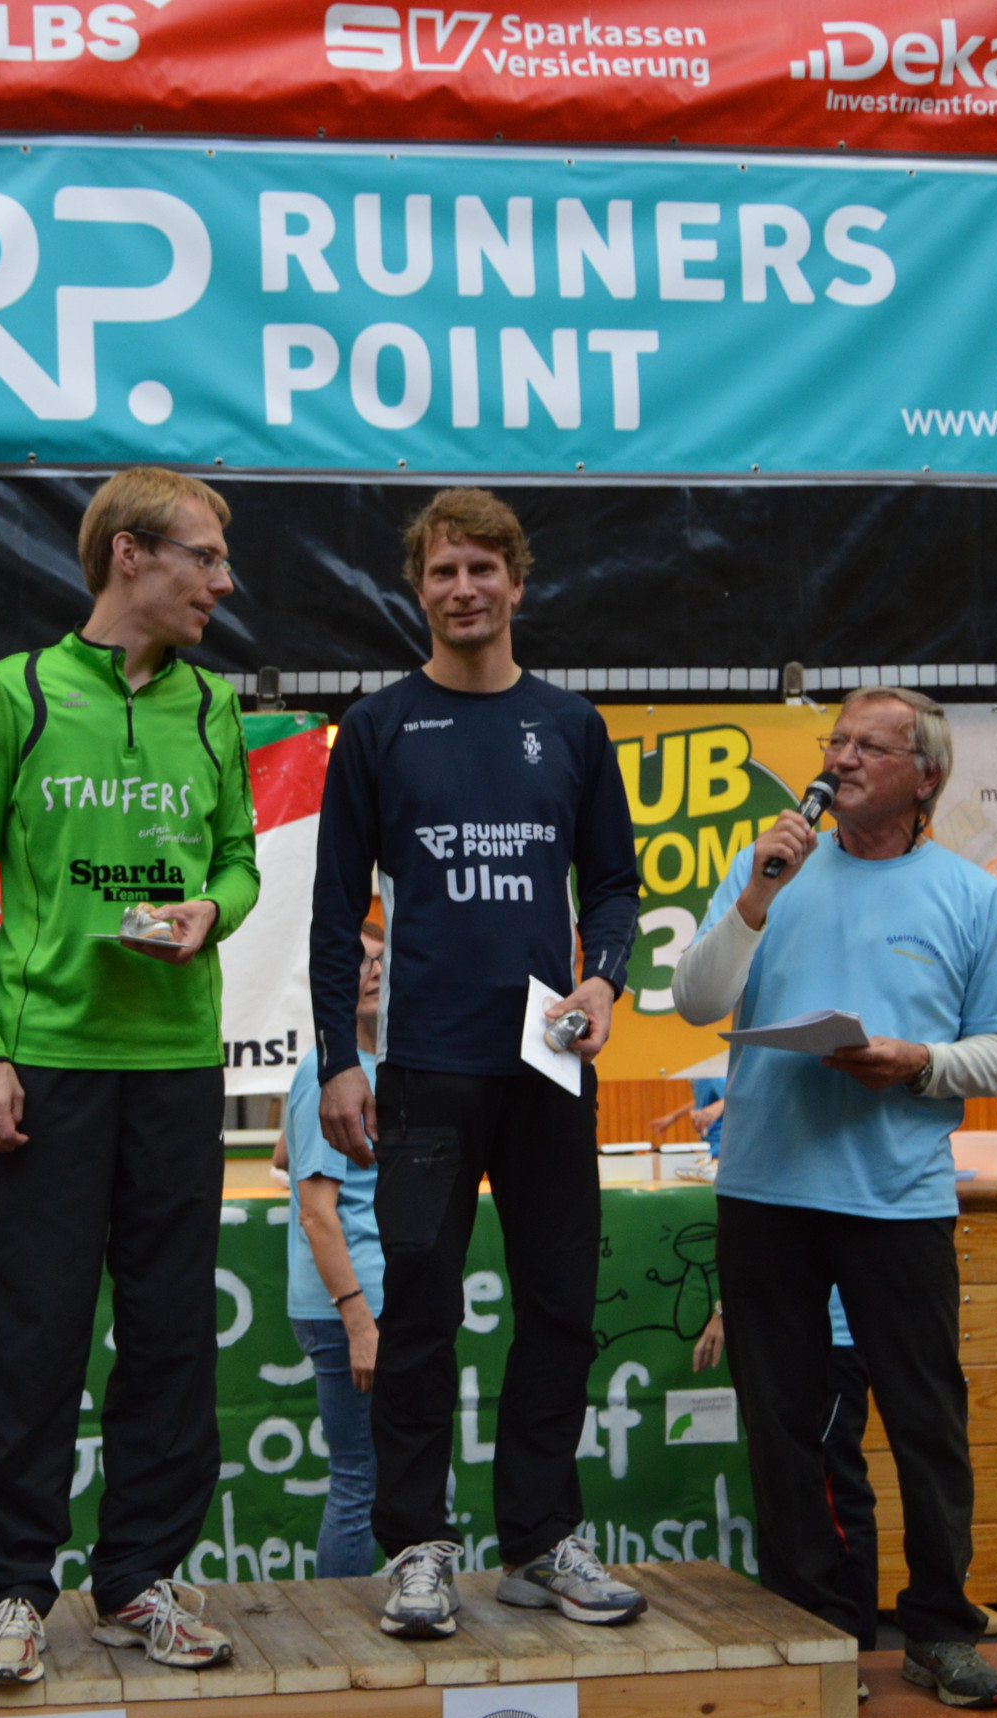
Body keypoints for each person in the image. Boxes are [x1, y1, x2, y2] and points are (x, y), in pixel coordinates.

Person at [0, 464, 262, 1686]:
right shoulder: (14, 691)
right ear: (130, 553)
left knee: (171, 1337)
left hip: (175, 1063)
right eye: (203, 557)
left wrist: (210, 912)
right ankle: (11, 1589)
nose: (221, 582)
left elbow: (240, 861)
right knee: (34, 1337)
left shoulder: (214, 704)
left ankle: (137, 1580)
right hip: (50, 1068)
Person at [312, 488, 648, 1641]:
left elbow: (614, 885)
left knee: (558, 1304)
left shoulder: (569, 724)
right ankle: (416, 1547)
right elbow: (330, 916)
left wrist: (602, 980)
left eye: (481, 568)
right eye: (442, 571)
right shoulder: (377, 727)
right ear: (418, 589)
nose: (463, 589)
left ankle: (540, 1540)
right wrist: (337, 1061)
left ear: (516, 579)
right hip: (419, 1069)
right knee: (417, 1312)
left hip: (545, 1060)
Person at [669, 686, 997, 1708]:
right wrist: (755, 896)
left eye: (871, 746)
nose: (842, 759)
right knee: (782, 1424)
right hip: (764, 1190)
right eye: (836, 741)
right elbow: (695, 1000)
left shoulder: (971, 896)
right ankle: (816, 1631)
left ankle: (940, 1629)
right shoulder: (769, 867)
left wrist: (920, 1063)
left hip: (897, 1198)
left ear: (926, 776)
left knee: (925, 1420)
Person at [278, 915, 388, 1579]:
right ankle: (341, 1622)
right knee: (361, 1482)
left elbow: (285, 1156)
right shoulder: (330, 1072)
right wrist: (359, 1321)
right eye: (358, 962)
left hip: (367, 1299)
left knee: (382, 1475)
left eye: (381, 959)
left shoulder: (363, 1066)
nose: (373, 972)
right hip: (355, 1305)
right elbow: (317, 1212)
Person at [693, 1293, 878, 1652]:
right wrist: (725, 1309)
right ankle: (804, 1633)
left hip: (837, 1343)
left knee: (837, 1485)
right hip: (782, 1340)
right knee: (784, 1483)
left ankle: (856, 1645)